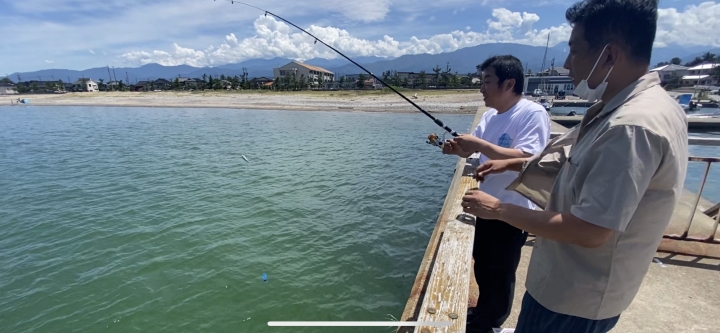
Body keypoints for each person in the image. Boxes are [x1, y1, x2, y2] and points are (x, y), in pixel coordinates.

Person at [461, 1, 688, 332]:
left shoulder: (631, 125)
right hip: (571, 288)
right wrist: (515, 163)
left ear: (609, 56)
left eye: (575, 51)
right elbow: (578, 164)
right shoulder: (632, 108)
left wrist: (496, 208)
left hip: (575, 299)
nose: (568, 64)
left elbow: (590, 229)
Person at [441, 54, 551, 333]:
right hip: (484, 206)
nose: (481, 87)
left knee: (501, 271)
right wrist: (457, 148)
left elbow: (529, 157)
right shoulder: (490, 116)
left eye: (487, 81)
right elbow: (473, 151)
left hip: (512, 210)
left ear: (509, 83)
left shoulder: (531, 113)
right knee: (484, 265)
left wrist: (477, 142)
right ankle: (482, 312)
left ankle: (492, 322)